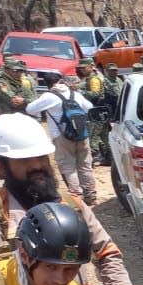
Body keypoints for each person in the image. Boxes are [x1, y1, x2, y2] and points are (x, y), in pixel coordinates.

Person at [0, 114, 133, 285]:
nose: (37, 166)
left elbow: (107, 253)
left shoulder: (71, 205)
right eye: (24, 160)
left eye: (42, 157)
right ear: (1, 167)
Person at [26, 76, 96, 205]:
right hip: (82, 134)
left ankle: (77, 198)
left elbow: (30, 109)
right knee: (85, 166)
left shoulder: (49, 96)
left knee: (69, 167)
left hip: (62, 136)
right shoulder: (74, 93)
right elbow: (90, 107)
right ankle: (90, 196)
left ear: (47, 84)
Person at [77, 59, 109, 165]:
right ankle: (109, 156)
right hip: (99, 111)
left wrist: (80, 92)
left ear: (91, 67)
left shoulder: (94, 79)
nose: (82, 70)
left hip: (96, 111)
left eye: (84, 68)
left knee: (92, 135)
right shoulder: (88, 79)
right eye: (80, 68)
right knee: (104, 135)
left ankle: (97, 156)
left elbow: (95, 94)